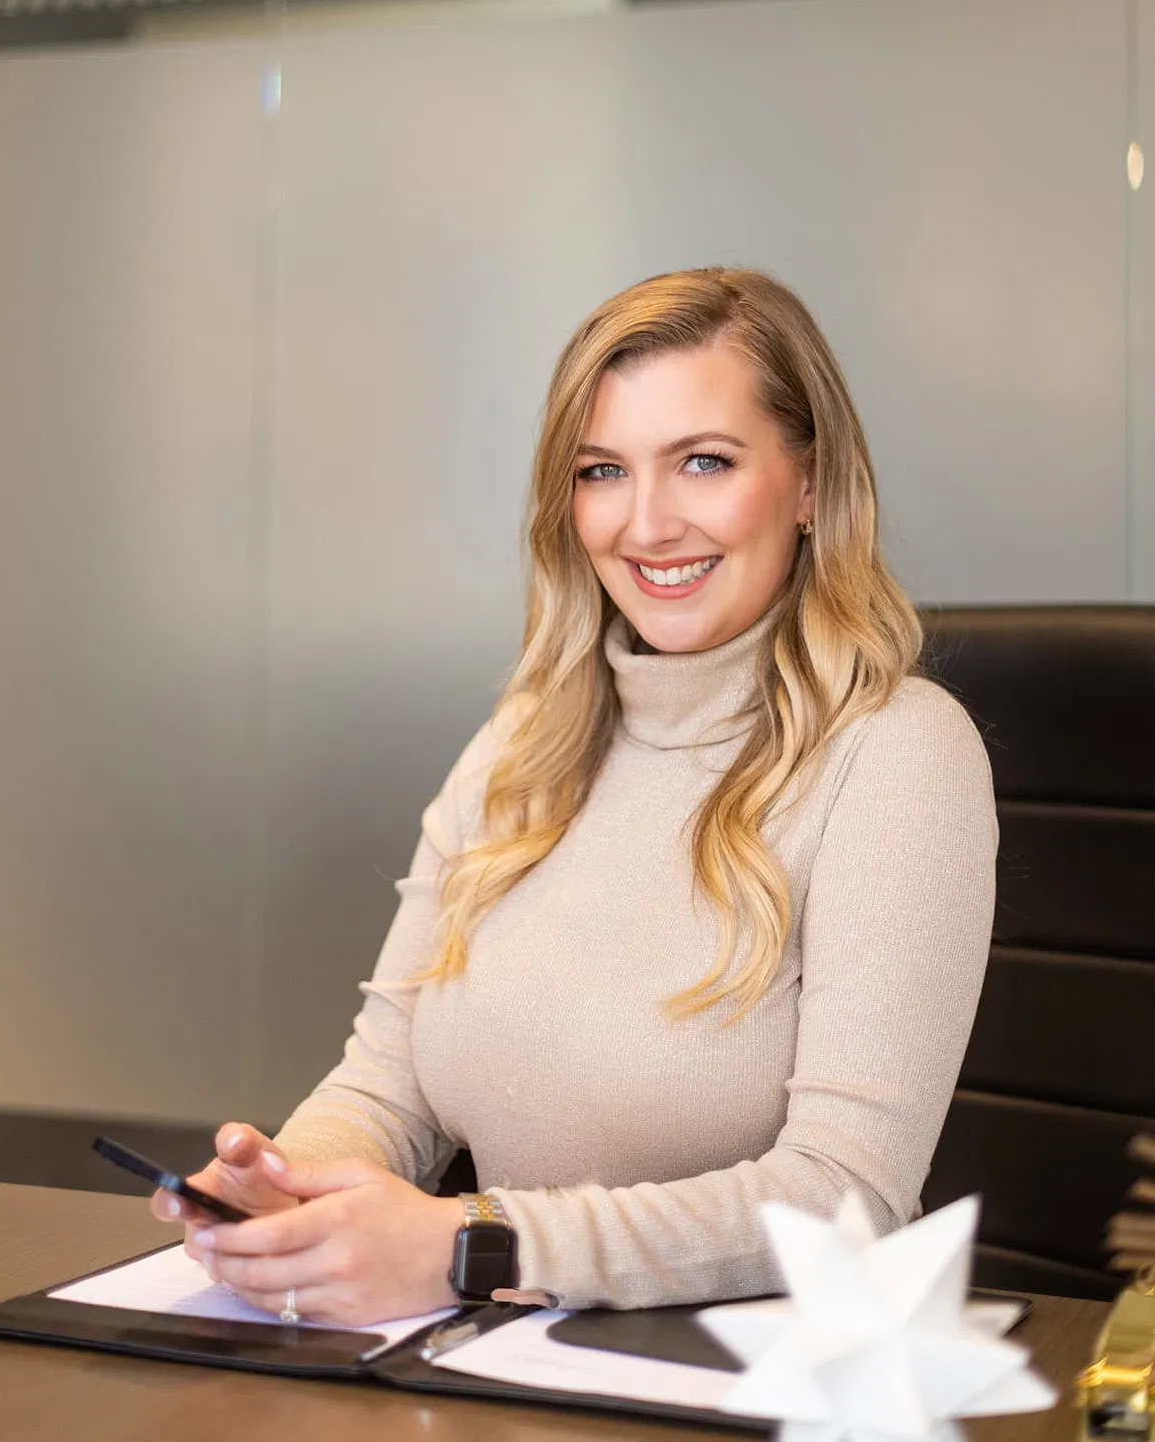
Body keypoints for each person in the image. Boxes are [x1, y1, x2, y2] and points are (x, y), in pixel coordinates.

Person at [151, 267, 998, 1327]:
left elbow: (848, 1196)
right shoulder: (526, 740)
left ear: (810, 484)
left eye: (702, 462)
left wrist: (478, 1245)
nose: (645, 524)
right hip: (498, 1351)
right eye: (602, 471)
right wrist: (285, 1192)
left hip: (724, 1381)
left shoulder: (895, 754)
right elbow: (389, 1087)